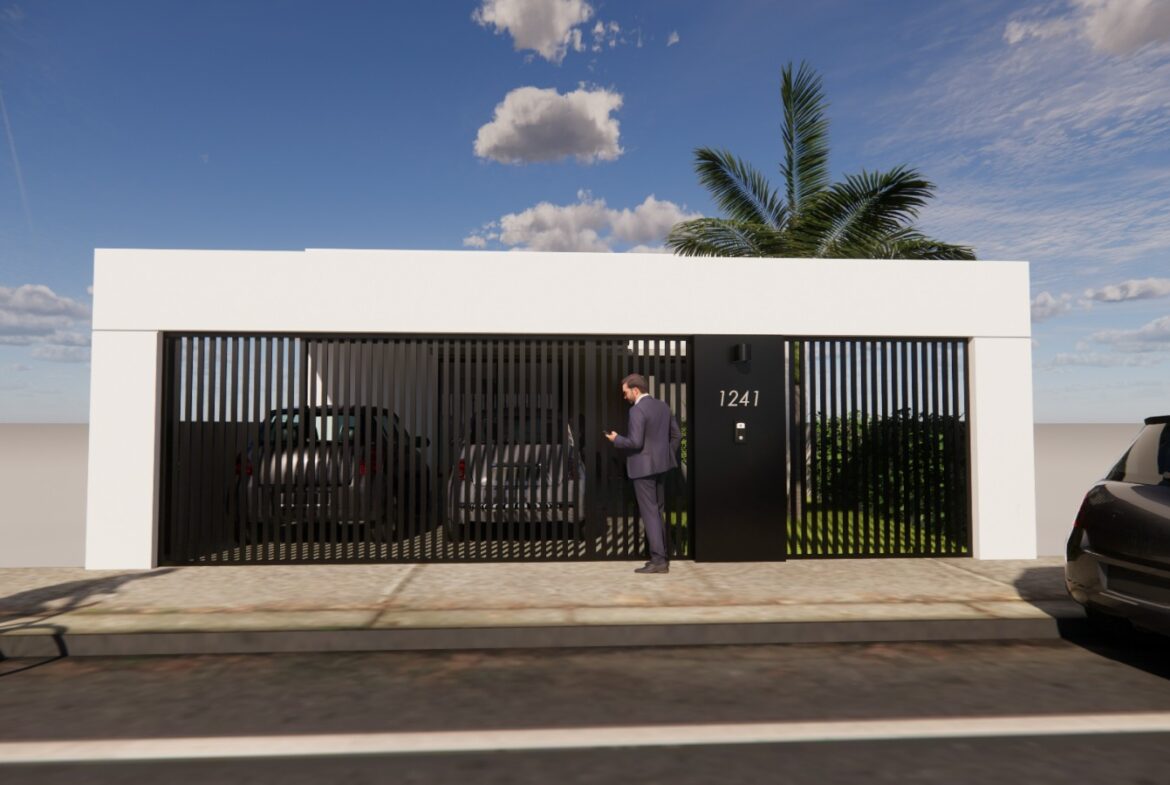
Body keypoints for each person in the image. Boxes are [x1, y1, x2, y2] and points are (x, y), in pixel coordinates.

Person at [605, 373, 682, 574]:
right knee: (657, 512)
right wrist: (665, 455)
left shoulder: (637, 410)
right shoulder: (663, 407)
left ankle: (659, 561)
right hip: (662, 467)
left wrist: (616, 439)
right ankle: (662, 557)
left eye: (625, 393)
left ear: (636, 390)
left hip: (643, 469)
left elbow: (635, 442)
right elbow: (677, 435)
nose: (624, 397)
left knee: (650, 514)